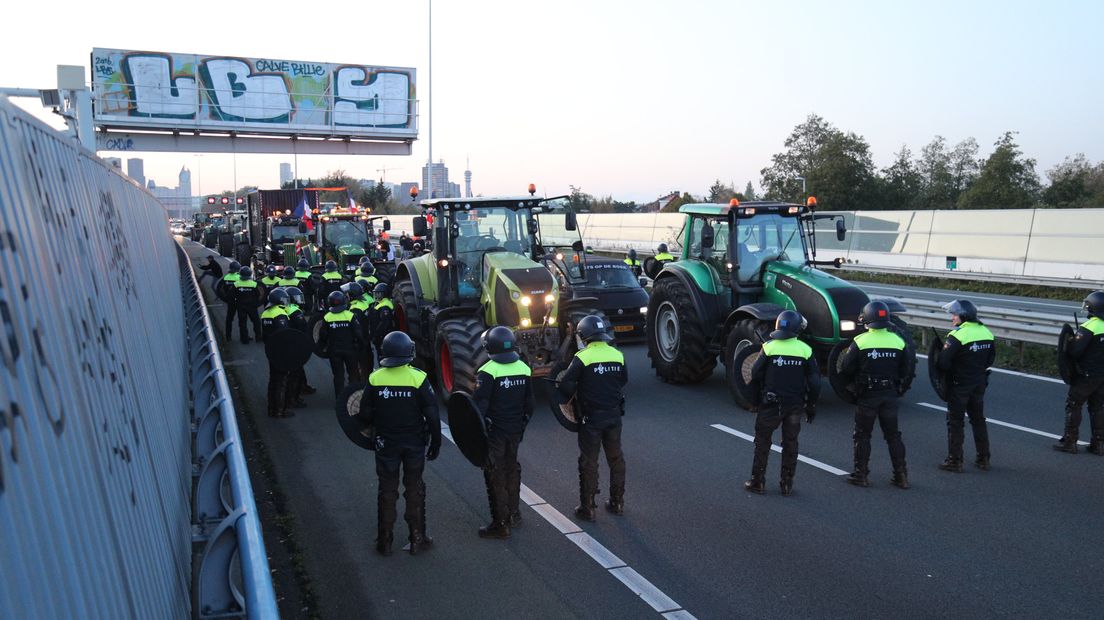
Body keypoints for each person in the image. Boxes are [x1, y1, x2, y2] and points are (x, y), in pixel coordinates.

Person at [357, 331, 441, 556]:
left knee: (387, 489)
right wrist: (437, 442)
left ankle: (384, 541)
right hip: (414, 443)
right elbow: (432, 414)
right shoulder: (418, 378)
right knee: (414, 488)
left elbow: (364, 413)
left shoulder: (375, 378)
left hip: (386, 444)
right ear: (408, 352)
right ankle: (417, 539)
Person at [556, 315, 628, 520]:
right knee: (616, 458)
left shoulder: (583, 357)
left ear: (584, 335)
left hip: (591, 419)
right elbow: (623, 380)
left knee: (589, 461)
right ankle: (617, 502)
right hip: (614, 416)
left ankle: (588, 508)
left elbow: (566, 385)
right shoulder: (617, 355)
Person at [744, 310, 820, 495]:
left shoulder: (769, 347)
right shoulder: (805, 350)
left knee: (762, 442)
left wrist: (754, 402)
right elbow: (815, 382)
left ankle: (757, 482)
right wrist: (811, 406)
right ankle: (786, 484)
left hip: (770, 404)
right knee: (790, 443)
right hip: (794, 405)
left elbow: (754, 375)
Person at [837, 301, 912, 489]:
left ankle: (861, 475)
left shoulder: (861, 341)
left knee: (862, 436)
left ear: (867, 320)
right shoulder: (898, 341)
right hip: (890, 394)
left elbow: (846, 368)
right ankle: (901, 476)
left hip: (868, 395)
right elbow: (906, 369)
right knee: (893, 436)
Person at [473, 326, 534, 539]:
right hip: (515, 430)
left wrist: (479, 434)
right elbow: (530, 404)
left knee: (495, 472)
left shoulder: (488, 371)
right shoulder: (524, 368)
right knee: (512, 467)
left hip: (495, 432)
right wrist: (521, 426)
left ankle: (500, 524)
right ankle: (515, 514)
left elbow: (479, 407)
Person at [936, 299, 996, 471]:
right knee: (978, 420)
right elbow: (990, 359)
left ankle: (955, 461)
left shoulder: (957, 336)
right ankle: (983, 459)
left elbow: (943, 364)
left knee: (955, 421)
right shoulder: (986, 332)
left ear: (963, 316)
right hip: (978, 383)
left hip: (959, 384)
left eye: (954, 315)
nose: (952, 318)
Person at [1055, 291, 1104, 455]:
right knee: (1097, 408)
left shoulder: (1090, 326)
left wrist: (1071, 341)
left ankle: (1070, 442)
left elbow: (1075, 351)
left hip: (1086, 375)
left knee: (1074, 405)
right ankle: (1098, 445)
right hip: (1102, 375)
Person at [317, 290, 363, 396]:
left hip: (334, 351)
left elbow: (323, 336)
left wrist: (320, 349)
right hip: (350, 350)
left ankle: (339, 399)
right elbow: (358, 334)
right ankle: (352, 398)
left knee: (338, 376)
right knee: (353, 375)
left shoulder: (327, 317)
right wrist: (361, 347)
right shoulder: (350, 315)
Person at [261, 288, 292, 418]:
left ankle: (271, 408)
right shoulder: (280, 314)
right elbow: (284, 334)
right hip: (280, 350)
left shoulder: (265, 313)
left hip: (270, 349)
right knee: (281, 380)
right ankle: (280, 410)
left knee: (272, 379)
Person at [283, 286, 316, 406]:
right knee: (295, 372)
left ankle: (303, 386)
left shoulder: (285, 309)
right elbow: (304, 327)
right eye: (297, 298)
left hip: (287, 343)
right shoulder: (295, 311)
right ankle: (293, 398)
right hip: (295, 344)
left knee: (297, 369)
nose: (299, 300)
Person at [344, 281, 375, 373]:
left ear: (352, 295)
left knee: (362, 363)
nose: (346, 296)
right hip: (366, 336)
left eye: (347, 294)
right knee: (368, 358)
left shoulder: (355, 309)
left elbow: (356, 327)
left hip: (360, 340)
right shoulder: (362, 304)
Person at [232, 266, 263, 344]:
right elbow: (258, 294)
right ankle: (258, 338)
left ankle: (244, 340)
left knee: (242, 323)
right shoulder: (254, 284)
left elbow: (231, 295)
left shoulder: (236, 284)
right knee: (256, 322)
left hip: (241, 306)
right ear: (250, 274)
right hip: (252, 306)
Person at [370, 282, 395, 362]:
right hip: (382, 336)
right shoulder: (381, 304)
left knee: (382, 358)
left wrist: (376, 335)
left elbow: (384, 322)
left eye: (379, 294)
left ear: (384, 294)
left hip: (382, 337)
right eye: (376, 294)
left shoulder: (385, 306)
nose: (376, 296)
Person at [218, 261, 242, 341]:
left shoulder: (226, 277)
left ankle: (228, 336)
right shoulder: (239, 277)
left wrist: (226, 298)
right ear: (238, 269)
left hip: (230, 301)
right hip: (239, 301)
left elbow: (221, 289)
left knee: (229, 319)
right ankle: (244, 336)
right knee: (242, 319)